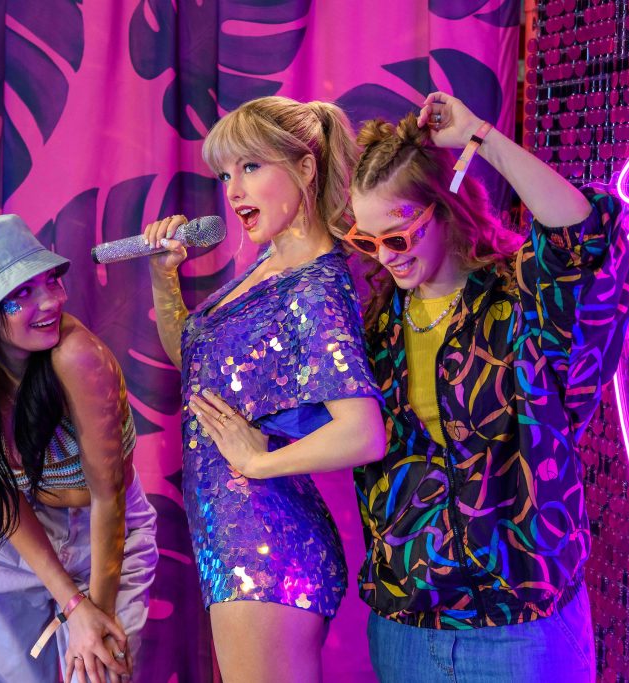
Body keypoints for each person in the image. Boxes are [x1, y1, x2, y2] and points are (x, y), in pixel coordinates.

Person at [345, 92, 629, 682]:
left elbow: (583, 236)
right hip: (406, 628)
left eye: (397, 237)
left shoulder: (518, 304)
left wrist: (482, 136)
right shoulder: (373, 329)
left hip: (520, 627)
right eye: (366, 240)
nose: (384, 256)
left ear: (445, 209)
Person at [142, 96, 385, 682]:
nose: (233, 191)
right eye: (226, 174)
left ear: (306, 168)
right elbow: (195, 362)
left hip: (266, 548)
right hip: (237, 536)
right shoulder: (270, 263)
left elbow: (363, 434)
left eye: (251, 167)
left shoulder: (314, 287)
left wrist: (255, 460)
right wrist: (162, 272)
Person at [0, 214, 158, 683]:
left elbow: (109, 497)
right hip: (17, 538)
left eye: (49, 280)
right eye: (21, 294)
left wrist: (94, 614)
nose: (51, 301)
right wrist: (70, 601)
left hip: (104, 530)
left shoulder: (75, 355)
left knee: (100, 667)